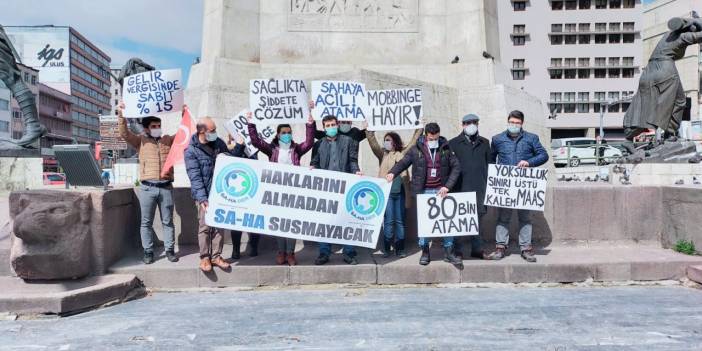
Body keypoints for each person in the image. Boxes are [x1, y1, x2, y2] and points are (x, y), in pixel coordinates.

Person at [386, 122, 463, 268]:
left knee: (447, 222)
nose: (433, 141)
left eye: (436, 138)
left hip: (442, 191)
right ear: (426, 136)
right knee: (425, 224)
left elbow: (456, 167)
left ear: (439, 135)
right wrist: (392, 172)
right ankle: (425, 251)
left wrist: (447, 186)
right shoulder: (416, 149)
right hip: (424, 192)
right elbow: (403, 163)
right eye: (431, 138)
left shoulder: (446, 147)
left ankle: (448, 251)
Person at [246, 110, 316, 265]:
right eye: (284, 132)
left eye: (289, 132)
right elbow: (256, 141)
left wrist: (310, 124)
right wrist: (251, 123)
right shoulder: (271, 149)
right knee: (278, 224)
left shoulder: (296, 149)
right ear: (278, 135)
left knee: (291, 224)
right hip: (276, 194)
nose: (287, 135)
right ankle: (281, 252)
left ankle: (291, 253)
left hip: (293, 193)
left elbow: (309, 142)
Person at [185, 116, 246, 272]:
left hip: (219, 194)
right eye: (212, 130)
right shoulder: (191, 151)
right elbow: (195, 177)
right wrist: (203, 198)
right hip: (203, 196)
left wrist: (238, 147)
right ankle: (205, 258)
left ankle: (216, 256)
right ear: (202, 131)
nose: (215, 133)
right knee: (205, 227)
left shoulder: (218, 143)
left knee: (219, 227)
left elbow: (230, 161)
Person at [118, 102, 177, 265]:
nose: (157, 128)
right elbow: (124, 133)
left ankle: (170, 250)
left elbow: (183, 135)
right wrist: (121, 114)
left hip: (166, 187)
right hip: (147, 188)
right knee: (146, 222)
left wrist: (185, 114)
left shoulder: (167, 140)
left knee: (168, 221)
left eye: (159, 125)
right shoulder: (140, 141)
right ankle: (148, 252)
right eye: (154, 126)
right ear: (146, 129)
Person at [488, 110, 549, 263]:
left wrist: (529, 163)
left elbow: (544, 155)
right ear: (507, 122)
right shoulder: (497, 139)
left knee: (525, 218)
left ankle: (526, 249)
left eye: (517, 123)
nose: (514, 125)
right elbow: (491, 159)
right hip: (506, 185)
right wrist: (494, 177)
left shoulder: (532, 138)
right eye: (511, 122)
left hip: (524, 186)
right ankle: (500, 248)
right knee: (503, 218)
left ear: (522, 123)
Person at [311, 115, 362, 265]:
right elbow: (314, 162)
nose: (331, 128)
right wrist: (312, 168)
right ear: (324, 127)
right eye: (328, 126)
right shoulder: (318, 144)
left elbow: (353, 160)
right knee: (325, 222)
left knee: (347, 221)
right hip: (326, 189)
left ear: (337, 125)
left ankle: (349, 253)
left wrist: (357, 171)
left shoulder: (348, 141)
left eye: (333, 125)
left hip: (345, 187)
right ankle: (324, 252)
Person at [365, 124, 422, 258]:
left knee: (400, 221)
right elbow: (373, 143)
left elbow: (414, 141)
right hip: (387, 194)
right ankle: (386, 247)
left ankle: (400, 248)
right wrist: (368, 131)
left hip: (401, 193)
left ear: (395, 142)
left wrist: (419, 127)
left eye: (389, 140)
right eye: (385, 140)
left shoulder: (404, 153)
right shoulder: (382, 154)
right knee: (389, 221)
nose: (386, 142)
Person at [448, 113, 490, 260]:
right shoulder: (453, 143)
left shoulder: (485, 143)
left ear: (478, 124)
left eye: (474, 122)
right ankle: (457, 250)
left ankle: (477, 249)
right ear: (462, 125)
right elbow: (448, 168)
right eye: (467, 123)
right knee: (460, 221)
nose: (470, 125)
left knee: (478, 221)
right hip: (460, 188)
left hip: (479, 188)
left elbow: (490, 165)